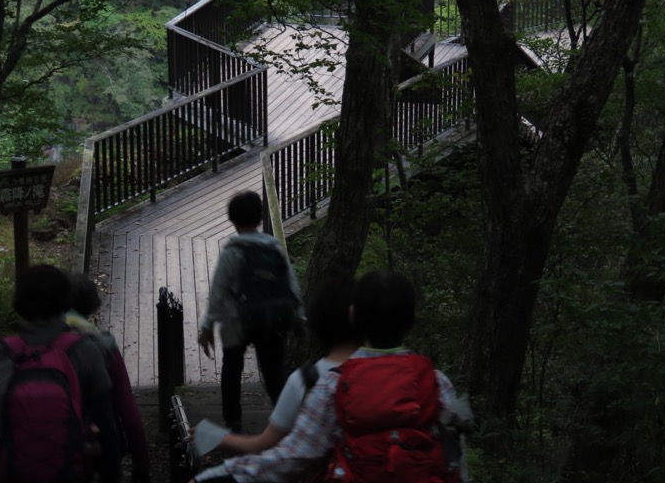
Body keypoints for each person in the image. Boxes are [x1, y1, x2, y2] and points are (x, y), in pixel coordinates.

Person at [191, 270, 470, 483]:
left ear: (354, 316)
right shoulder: (437, 383)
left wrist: (217, 474)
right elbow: (455, 460)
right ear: (412, 319)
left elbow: (289, 458)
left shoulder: (334, 385)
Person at [0, 264, 121, 483]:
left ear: (19, 301)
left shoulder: (2, 352)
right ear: (65, 299)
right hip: (71, 471)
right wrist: (112, 474)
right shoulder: (85, 350)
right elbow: (107, 424)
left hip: (15, 472)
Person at [207, 275, 359, 455]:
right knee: (272, 376)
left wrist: (215, 437)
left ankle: (240, 420)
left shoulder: (305, 382)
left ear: (319, 322)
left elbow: (266, 449)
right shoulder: (395, 375)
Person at [197, 190, 303, 433]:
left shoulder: (232, 251)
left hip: (238, 321)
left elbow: (218, 292)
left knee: (232, 368)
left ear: (232, 219)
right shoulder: (275, 248)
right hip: (273, 319)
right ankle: (284, 424)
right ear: (260, 219)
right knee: (274, 373)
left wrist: (206, 326)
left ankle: (233, 422)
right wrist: (298, 316)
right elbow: (291, 285)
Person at [66, 273, 152, 483]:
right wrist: (142, 467)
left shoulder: (31, 347)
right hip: (96, 452)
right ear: (91, 306)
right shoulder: (102, 346)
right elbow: (128, 412)